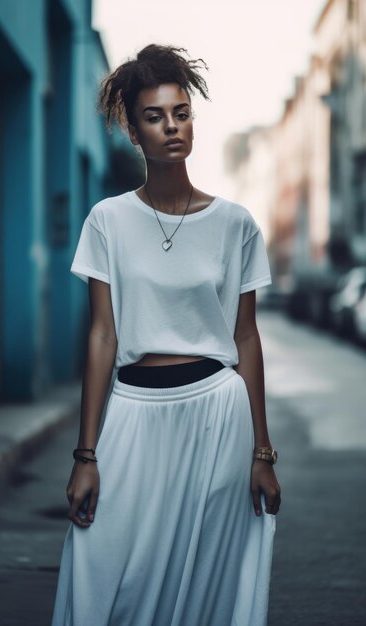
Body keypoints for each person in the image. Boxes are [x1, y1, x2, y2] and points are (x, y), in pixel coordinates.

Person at [51, 43, 281, 626]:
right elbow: (102, 337)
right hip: (132, 409)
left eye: (180, 112)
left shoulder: (235, 224)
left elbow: (246, 338)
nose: (171, 126)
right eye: (154, 116)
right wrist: (86, 454)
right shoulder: (108, 219)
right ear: (134, 129)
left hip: (217, 413)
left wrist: (261, 451)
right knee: (102, 565)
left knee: (206, 577)